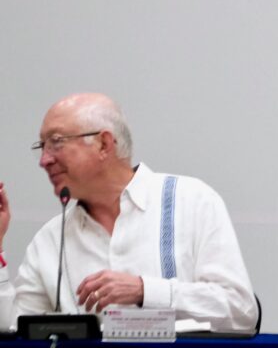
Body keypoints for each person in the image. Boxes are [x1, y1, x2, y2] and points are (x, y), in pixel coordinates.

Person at [0, 94, 258, 332]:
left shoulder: (192, 201)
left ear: (103, 144)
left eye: (56, 143)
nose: (44, 160)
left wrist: (145, 291)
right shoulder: (50, 239)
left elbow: (242, 311)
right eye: (42, 147)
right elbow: (11, 330)